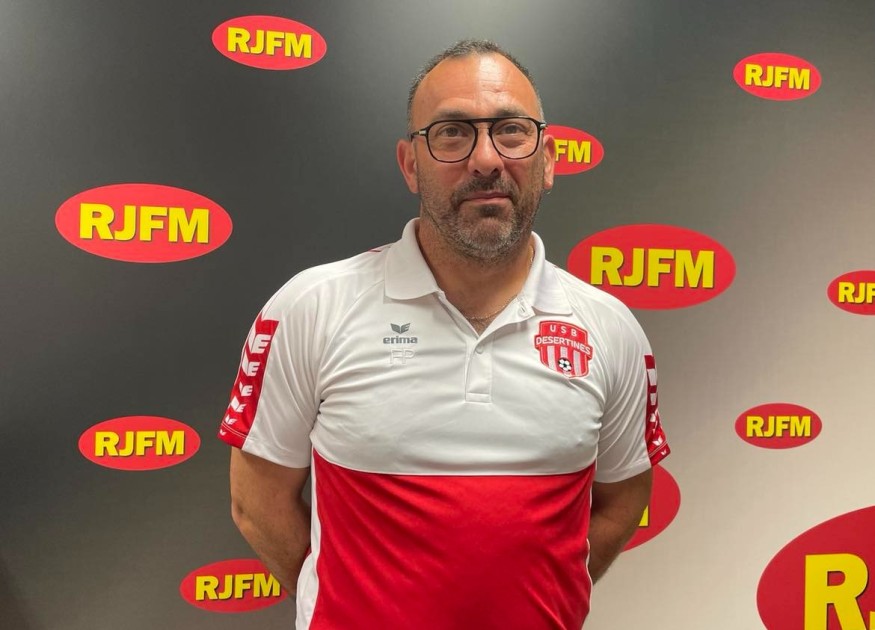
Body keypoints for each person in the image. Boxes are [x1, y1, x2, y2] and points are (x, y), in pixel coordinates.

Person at [219, 39, 669, 629]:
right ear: (410, 164)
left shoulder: (610, 330)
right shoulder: (313, 307)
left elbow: (623, 502)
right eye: (452, 133)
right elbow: (257, 504)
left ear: (548, 160)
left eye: (511, 131)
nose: (486, 159)